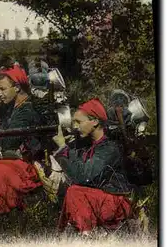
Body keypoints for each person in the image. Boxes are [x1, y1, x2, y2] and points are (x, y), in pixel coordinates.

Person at [53, 98, 134, 236]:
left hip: (115, 202)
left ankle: (86, 234)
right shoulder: (89, 147)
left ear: (95, 122)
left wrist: (63, 148)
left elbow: (83, 177)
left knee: (74, 191)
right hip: (101, 200)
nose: (75, 127)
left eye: (79, 122)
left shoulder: (109, 148)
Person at [0, 64, 44, 214]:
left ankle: (2, 214)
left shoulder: (26, 110)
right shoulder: (15, 107)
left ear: (16, 88)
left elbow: (8, 143)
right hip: (19, 161)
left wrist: (0, 116)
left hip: (30, 165)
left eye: (2, 89)